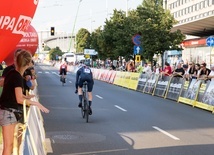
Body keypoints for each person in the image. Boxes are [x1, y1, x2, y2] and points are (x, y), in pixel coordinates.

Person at [0, 49, 49, 155]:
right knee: (8, 146)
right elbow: (19, 99)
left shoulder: (13, 73)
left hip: (8, 111)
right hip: (8, 112)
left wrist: (27, 97)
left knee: (10, 145)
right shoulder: (16, 76)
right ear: (27, 64)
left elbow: (16, 94)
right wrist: (36, 103)